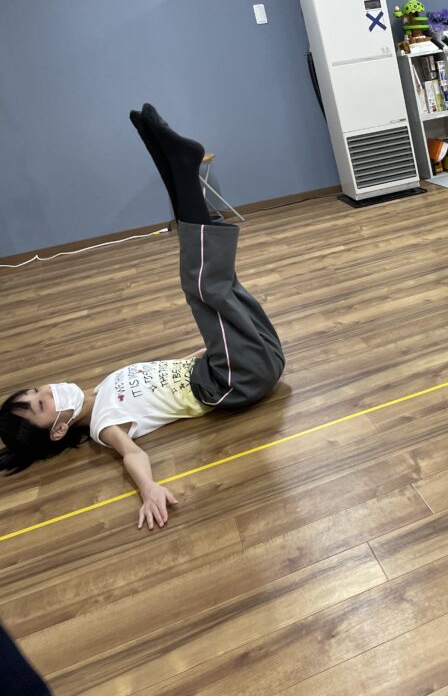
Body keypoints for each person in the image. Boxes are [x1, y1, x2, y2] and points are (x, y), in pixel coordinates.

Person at [0, 104, 285, 529]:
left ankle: (172, 161)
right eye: (42, 404)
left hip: (242, 362)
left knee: (220, 281)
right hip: (236, 383)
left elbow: (164, 377)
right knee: (205, 286)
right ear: (58, 430)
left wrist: (200, 352)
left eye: (38, 389)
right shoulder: (103, 424)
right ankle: (179, 164)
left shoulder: (104, 386)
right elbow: (132, 454)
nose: (48, 390)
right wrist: (149, 488)